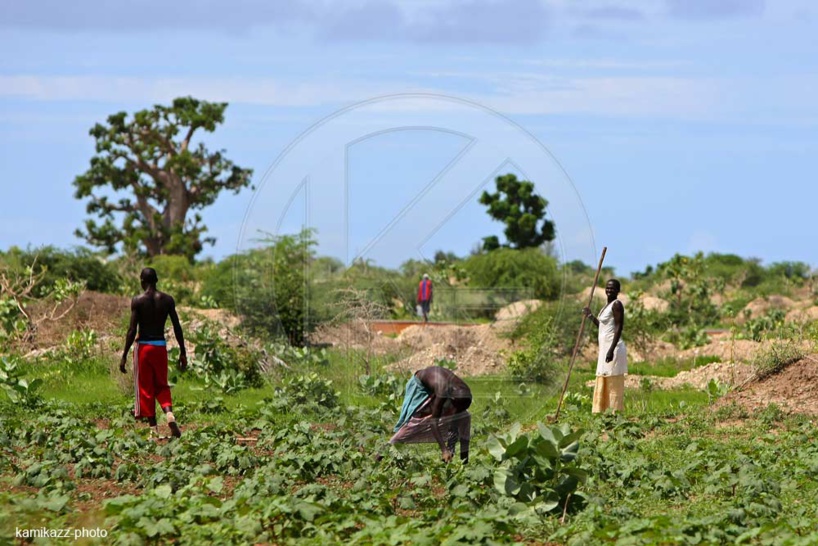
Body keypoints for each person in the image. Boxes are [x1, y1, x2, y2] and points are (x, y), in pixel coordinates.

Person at [120, 267, 188, 439]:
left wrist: (124, 354)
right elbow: (177, 327)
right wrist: (183, 352)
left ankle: (153, 430)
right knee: (161, 385)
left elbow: (131, 330)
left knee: (146, 388)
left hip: (143, 348)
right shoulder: (167, 300)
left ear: (142, 281)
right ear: (156, 280)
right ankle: (169, 414)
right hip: (159, 347)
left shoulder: (138, 300)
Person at [389, 366, 472, 463]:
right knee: (414, 421)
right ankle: (387, 447)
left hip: (437, 383)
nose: (457, 409)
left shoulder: (465, 394)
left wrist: (453, 426)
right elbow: (433, 422)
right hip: (419, 385)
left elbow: (458, 411)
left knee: (464, 417)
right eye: (456, 406)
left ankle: (464, 462)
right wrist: (444, 450)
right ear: (452, 398)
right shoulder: (442, 391)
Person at [583, 279, 627, 413]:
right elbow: (603, 326)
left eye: (613, 288)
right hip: (605, 348)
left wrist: (611, 350)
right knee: (603, 376)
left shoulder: (617, 304)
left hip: (613, 348)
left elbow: (619, 327)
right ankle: (601, 411)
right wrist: (590, 316)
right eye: (608, 288)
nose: (609, 290)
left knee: (612, 379)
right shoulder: (605, 307)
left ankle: (614, 412)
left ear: (618, 291)